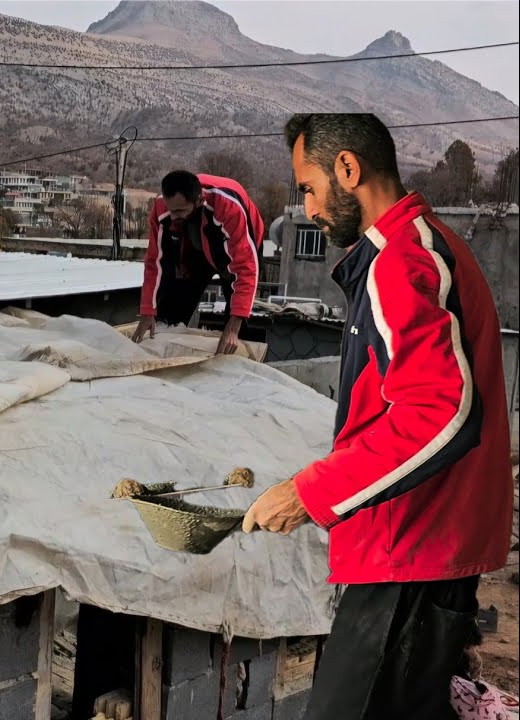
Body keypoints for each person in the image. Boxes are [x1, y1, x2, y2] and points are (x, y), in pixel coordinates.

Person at [244, 113, 512, 718]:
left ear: (347, 168)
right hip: (415, 547)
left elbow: (439, 410)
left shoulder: (401, 261)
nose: (308, 208)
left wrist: (310, 491)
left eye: (308, 187)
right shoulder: (418, 247)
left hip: (412, 552)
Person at [131, 171, 264, 355]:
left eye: (179, 211)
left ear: (199, 200)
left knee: (236, 320)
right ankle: (167, 351)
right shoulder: (164, 208)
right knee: (171, 309)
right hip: (196, 244)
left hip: (237, 246)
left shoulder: (228, 207)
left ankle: (239, 357)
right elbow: (155, 262)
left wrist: (233, 327)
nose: (173, 216)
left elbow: (245, 269)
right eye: (171, 210)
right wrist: (148, 310)